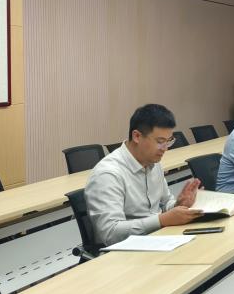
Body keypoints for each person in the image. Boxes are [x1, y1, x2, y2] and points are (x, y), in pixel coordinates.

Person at [85, 104, 202, 246]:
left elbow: (165, 203)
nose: (165, 149)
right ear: (137, 136)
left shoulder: (153, 162)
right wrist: (162, 220)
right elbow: (109, 233)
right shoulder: (108, 174)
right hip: (126, 251)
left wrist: (179, 205)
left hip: (159, 239)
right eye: (160, 142)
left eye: (169, 141)